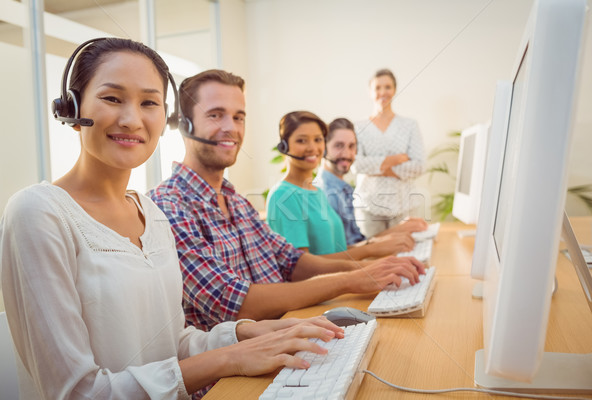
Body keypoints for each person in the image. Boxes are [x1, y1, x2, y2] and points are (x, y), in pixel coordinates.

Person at [0, 38, 347, 400]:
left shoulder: (152, 215)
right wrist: (231, 357)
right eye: (112, 98)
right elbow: (79, 392)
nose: (132, 120)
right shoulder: (38, 214)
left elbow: (171, 342)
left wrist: (243, 334)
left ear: (164, 119)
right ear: (71, 107)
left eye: (149, 103)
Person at [149, 69, 425, 332]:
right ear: (183, 125)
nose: (230, 128)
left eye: (238, 117)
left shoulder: (236, 202)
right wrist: (350, 279)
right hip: (239, 365)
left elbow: (292, 261)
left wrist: (369, 269)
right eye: (215, 115)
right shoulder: (170, 205)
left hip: (291, 327)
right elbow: (233, 302)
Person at [266, 111, 417, 258]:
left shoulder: (316, 192)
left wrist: (392, 237)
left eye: (318, 140)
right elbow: (301, 268)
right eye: (301, 140)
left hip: (343, 278)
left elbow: (340, 250)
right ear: (284, 147)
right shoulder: (284, 195)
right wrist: (372, 256)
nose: (312, 147)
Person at [315, 117, 428, 247]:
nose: (346, 153)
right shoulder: (327, 193)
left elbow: (359, 243)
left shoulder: (343, 188)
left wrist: (400, 229)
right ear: (323, 148)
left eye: (352, 146)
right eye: (338, 146)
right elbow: (343, 254)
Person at [353, 68, 427, 238]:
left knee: (404, 255)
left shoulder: (409, 125)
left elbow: (419, 166)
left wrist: (375, 167)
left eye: (387, 87)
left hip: (403, 205)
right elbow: (356, 164)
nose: (383, 92)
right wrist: (395, 160)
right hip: (368, 206)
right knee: (372, 257)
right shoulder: (358, 127)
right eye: (377, 88)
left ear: (394, 89)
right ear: (370, 92)